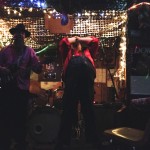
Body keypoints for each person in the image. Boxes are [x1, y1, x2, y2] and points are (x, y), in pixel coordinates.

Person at [0, 23, 42, 150]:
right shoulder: (5, 50)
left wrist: (39, 66)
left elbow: (37, 69)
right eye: (17, 32)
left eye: (21, 33)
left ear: (24, 36)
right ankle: (4, 142)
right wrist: (3, 70)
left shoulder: (29, 51)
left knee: (21, 117)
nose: (19, 35)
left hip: (21, 89)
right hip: (7, 88)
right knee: (5, 116)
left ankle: (20, 143)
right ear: (13, 35)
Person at [54, 36, 100, 150]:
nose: (76, 43)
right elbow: (63, 42)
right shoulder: (67, 52)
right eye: (74, 42)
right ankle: (63, 141)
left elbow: (95, 41)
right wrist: (75, 40)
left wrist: (78, 38)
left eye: (77, 42)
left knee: (88, 110)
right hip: (72, 81)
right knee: (68, 110)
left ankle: (93, 141)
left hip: (85, 81)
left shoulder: (89, 51)